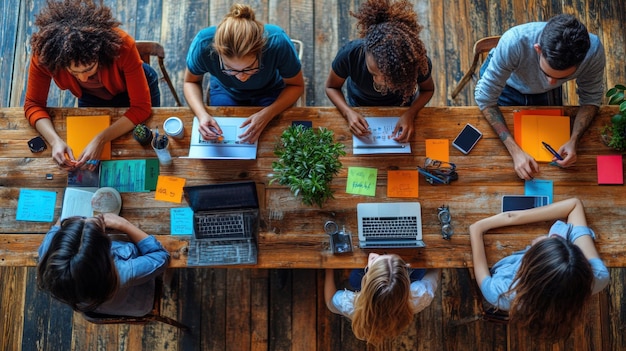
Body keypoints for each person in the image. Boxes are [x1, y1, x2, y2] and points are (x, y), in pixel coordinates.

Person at [25, 0, 160, 170]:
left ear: (100, 54)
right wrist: (55, 141)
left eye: (89, 69)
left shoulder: (123, 45)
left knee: (146, 136)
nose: (82, 79)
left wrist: (101, 139)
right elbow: (33, 105)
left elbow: (141, 108)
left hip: (137, 85)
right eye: (74, 72)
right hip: (91, 97)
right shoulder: (44, 57)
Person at [475, 14, 605, 180]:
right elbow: (485, 99)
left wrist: (574, 139)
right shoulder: (514, 42)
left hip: (542, 96)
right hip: (507, 85)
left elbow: (591, 98)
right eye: (546, 73)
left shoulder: (592, 52)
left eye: (562, 78)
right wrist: (515, 152)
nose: (550, 83)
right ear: (538, 49)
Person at [469, 198, 609, 340]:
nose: (541, 237)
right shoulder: (597, 275)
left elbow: (475, 230)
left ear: (527, 265)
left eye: (538, 245)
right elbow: (575, 205)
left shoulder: (499, 293)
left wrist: (481, 226)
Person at [184, 3, 304, 144]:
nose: (241, 77)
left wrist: (268, 113)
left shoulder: (277, 42)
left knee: (272, 140)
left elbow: (296, 86)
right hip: (225, 90)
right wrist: (202, 115)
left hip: (269, 89)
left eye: (249, 68)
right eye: (230, 69)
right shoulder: (203, 45)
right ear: (217, 54)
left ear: (261, 51)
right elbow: (190, 82)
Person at [325, 0, 434, 143]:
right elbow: (331, 87)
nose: (378, 81)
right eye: (373, 73)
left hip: (401, 107)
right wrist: (348, 112)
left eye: (389, 77)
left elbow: (427, 90)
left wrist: (410, 113)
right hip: (358, 104)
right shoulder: (351, 54)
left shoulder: (416, 63)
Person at [37, 213, 169, 316]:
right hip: (137, 302)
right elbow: (162, 256)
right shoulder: (121, 272)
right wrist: (124, 225)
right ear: (104, 249)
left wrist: (83, 225)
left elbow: (58, 226)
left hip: (93, 306)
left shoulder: (50, 254)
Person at [324, 253, 440, 346]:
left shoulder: (353, 305)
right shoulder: (420, 295)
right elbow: (435, 270)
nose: (375, 254)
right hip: (392, 282)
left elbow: (330, 301)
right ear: (407, 280)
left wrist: (328, 268)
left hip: (385, 282)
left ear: (366, 279)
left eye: (374, 260)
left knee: (355, 280)